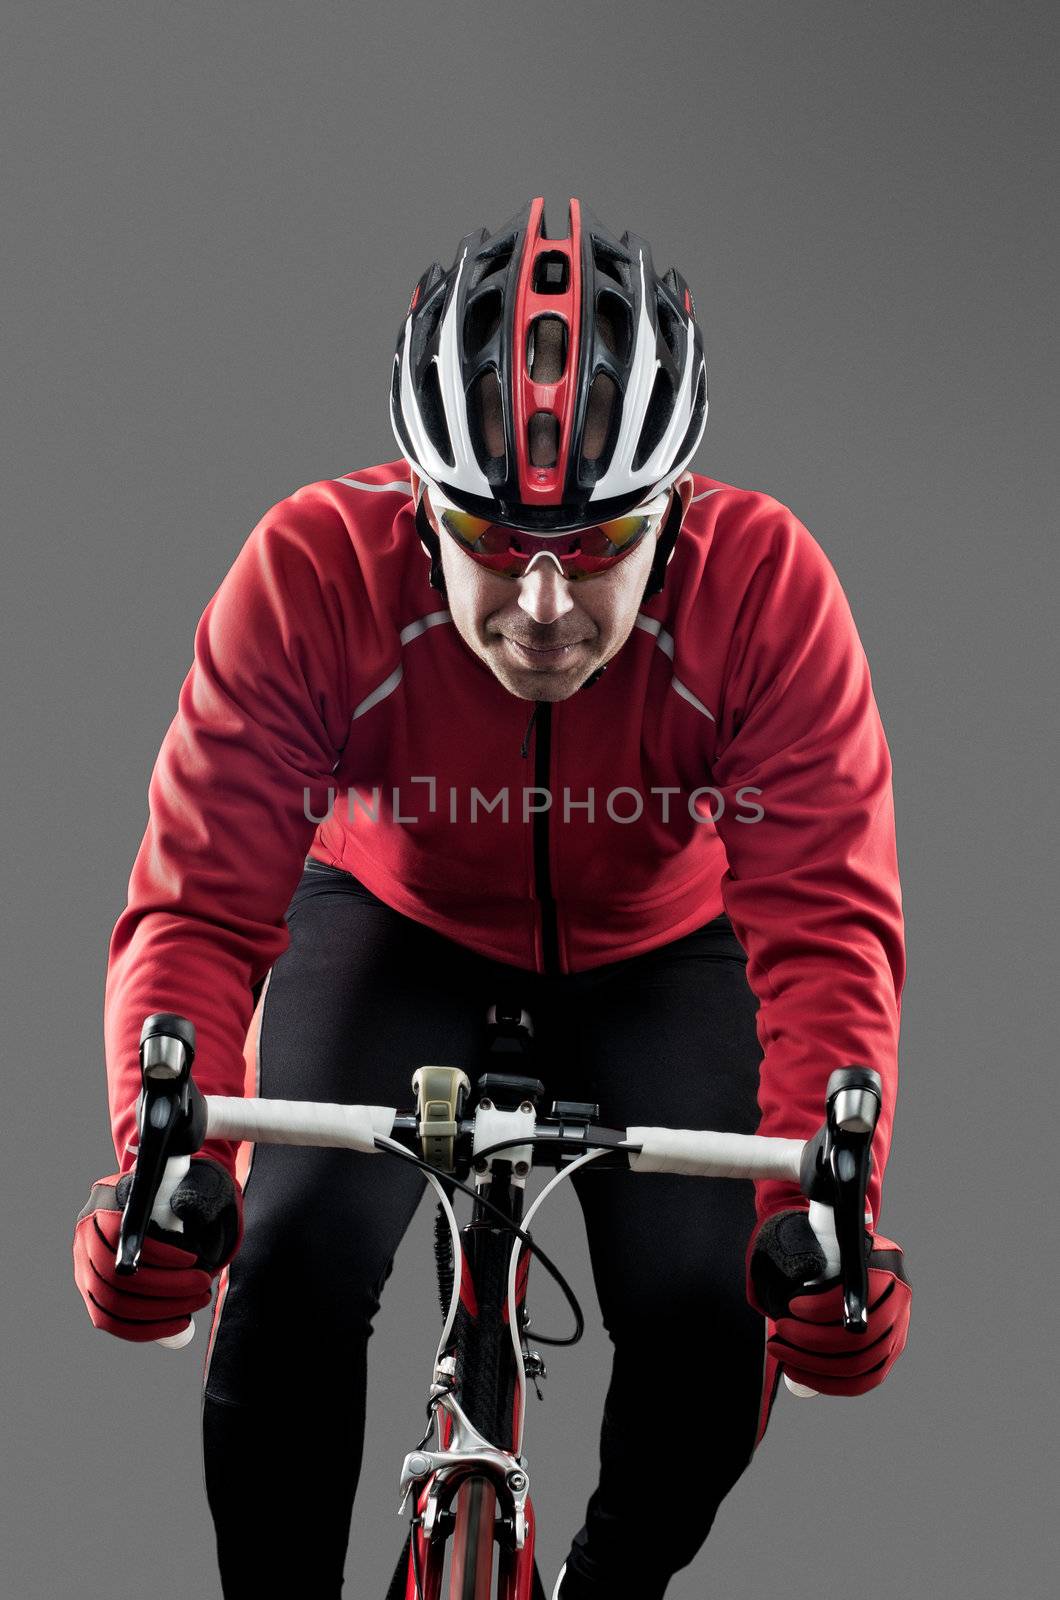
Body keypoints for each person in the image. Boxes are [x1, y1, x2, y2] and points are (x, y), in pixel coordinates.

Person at [73, 197, 912, 1599]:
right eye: (483, 534)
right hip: (395, 924)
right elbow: (204, 910)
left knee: (722, 1325)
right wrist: (173, 1181)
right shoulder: (308, 573)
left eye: (593, 546)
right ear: (418, 502)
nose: (537, 604)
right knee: (279, 1280)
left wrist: (829, 1221)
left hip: (666, 950)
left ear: (675, 507)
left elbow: (826, 929)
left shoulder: (767, 594)